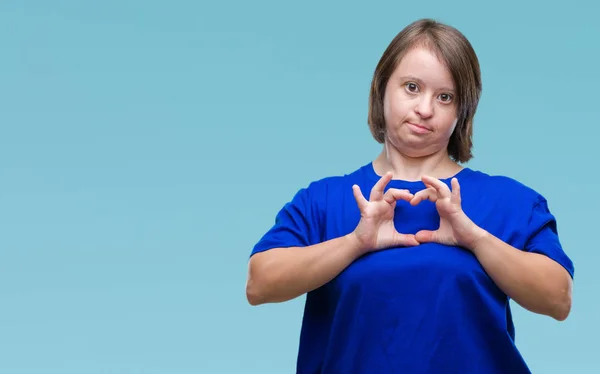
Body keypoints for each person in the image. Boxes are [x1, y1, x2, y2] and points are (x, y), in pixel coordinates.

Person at [245, 18, 574, 374]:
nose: (425, 109)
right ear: (381, 88)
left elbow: (558, 299)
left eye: (445, 97)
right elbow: (259, 284)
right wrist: (355, 242)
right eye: (412, 87)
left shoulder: (510, 202)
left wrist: (475, 239)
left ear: (462, 112)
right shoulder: (324, 200)